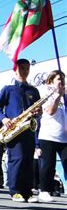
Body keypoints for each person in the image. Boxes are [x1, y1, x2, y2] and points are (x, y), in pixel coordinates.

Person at [0, 58, 41, 203]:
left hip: (28, 129)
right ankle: (15, 191)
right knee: (17, 159)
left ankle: (27, 192)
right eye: (21, 68)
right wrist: (4, 119)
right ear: (15, 69)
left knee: (28, 160)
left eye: (27, 68)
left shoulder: (33, 90)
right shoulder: (8, 89)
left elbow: (39, 111)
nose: (25, 71)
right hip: (14, 129)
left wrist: (37, 112)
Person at [37, 70, 66, 202]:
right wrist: (58, 96)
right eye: (59, 79)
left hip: (64, 136)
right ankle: (44, 190)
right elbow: (50, 111)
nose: (62, 81)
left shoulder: (65, 96)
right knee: (49, 165)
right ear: (51, 81)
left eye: (63, 79)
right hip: (49, 135)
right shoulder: (46, 93)